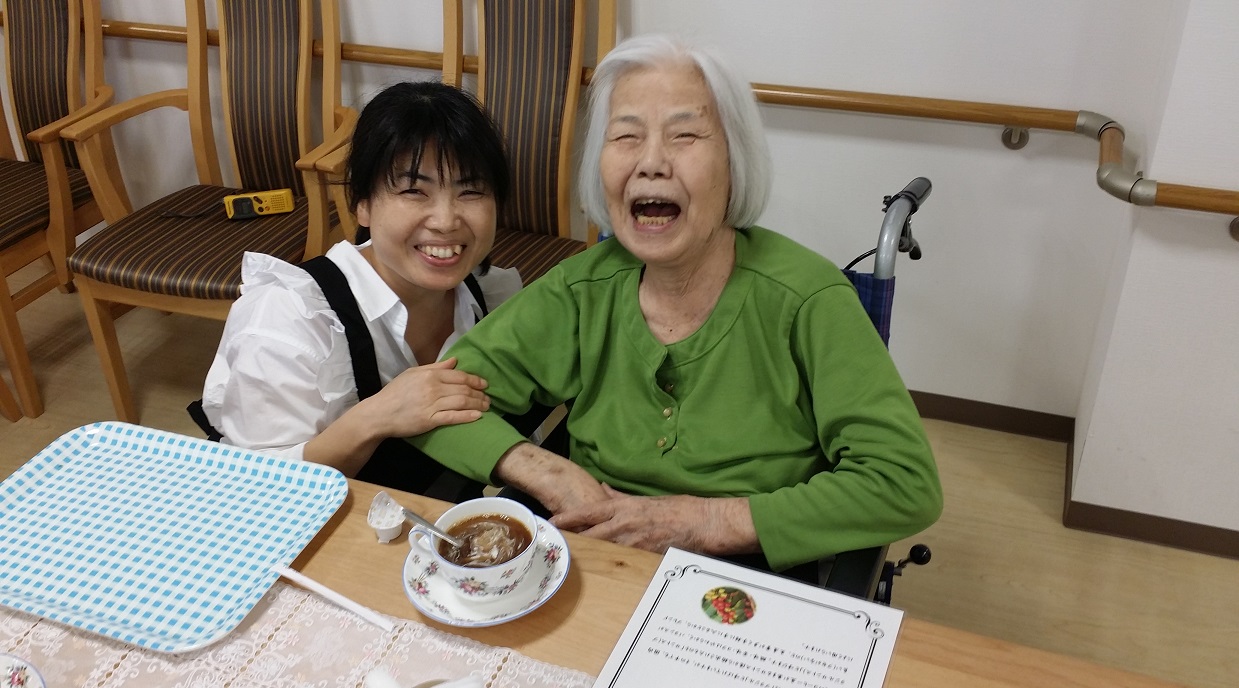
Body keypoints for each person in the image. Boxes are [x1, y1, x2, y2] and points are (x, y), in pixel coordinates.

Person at [409, 35, 943, 574]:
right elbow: (433, 403)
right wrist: (548, 472)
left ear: (734, 162)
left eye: (684, 135)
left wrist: (706, 521)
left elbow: (904, 483)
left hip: (750, 575)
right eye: (626, 136)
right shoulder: (581, 290)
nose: (651, 163)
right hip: (597, 556)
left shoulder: (808, 299)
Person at [194, 81, 523, 496]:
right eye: (414, 191)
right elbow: (258, 491)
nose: (445, 221)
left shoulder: (489, 294)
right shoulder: (292, 321)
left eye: (471, 191)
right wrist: (377, 417)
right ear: (362, 203)